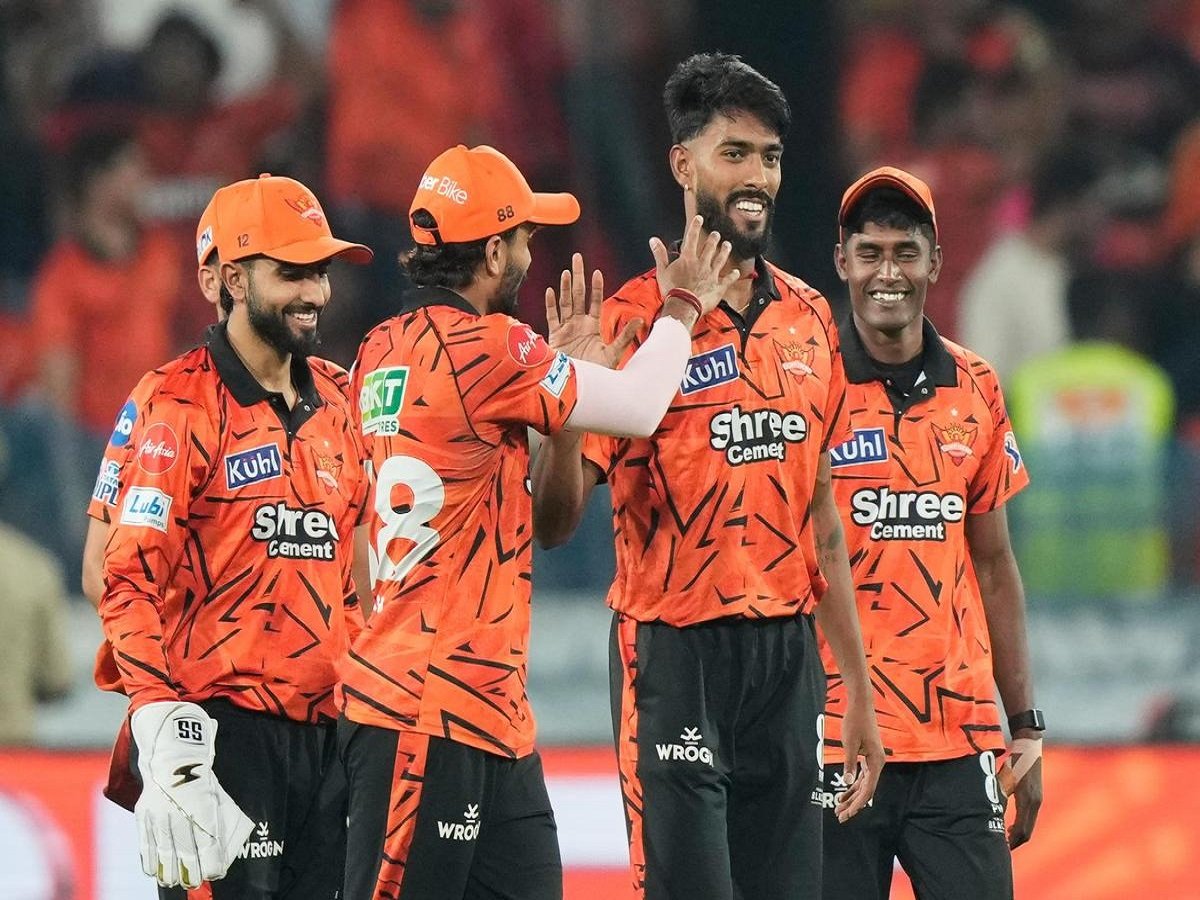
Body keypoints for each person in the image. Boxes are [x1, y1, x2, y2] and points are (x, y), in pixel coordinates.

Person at [339, 142, 741, 900]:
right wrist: (683, 307)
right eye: (524, 236)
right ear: (493, 251)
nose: (530, 254)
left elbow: (546, 521)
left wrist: (557, 407)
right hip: (428, 709)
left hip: (485, 714)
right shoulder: (492, 348)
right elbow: (640, 407)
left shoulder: (377, 349)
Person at [531, 52, 884, 900]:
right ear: (684, 165)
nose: (758, 175)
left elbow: (824, 524)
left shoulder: (810, 318)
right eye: (735, 153)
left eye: (770, 156)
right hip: (674, 656)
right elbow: (554, 522)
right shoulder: (629, 319)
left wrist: (859, 697)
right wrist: (570, 401)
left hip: (788, 660)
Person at [98, 173, 373, 897]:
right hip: (221, 737)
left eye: (320, 270)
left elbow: (357, 582)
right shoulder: (177, 403)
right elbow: (124, 580)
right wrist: (160, 725)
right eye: (292, 272)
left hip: (331, 741)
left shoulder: (342, 400)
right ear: (228, 279)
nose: (316, 293)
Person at [817, 166, 1044, 900]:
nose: (888, 273)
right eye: (870, 252)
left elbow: (995, 563)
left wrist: (1026, 725)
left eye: (905, 252)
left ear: (935, 263)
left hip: (959, 736)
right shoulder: (807, 384)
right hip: (834, 735)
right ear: (842, 261)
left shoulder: (977, 386)